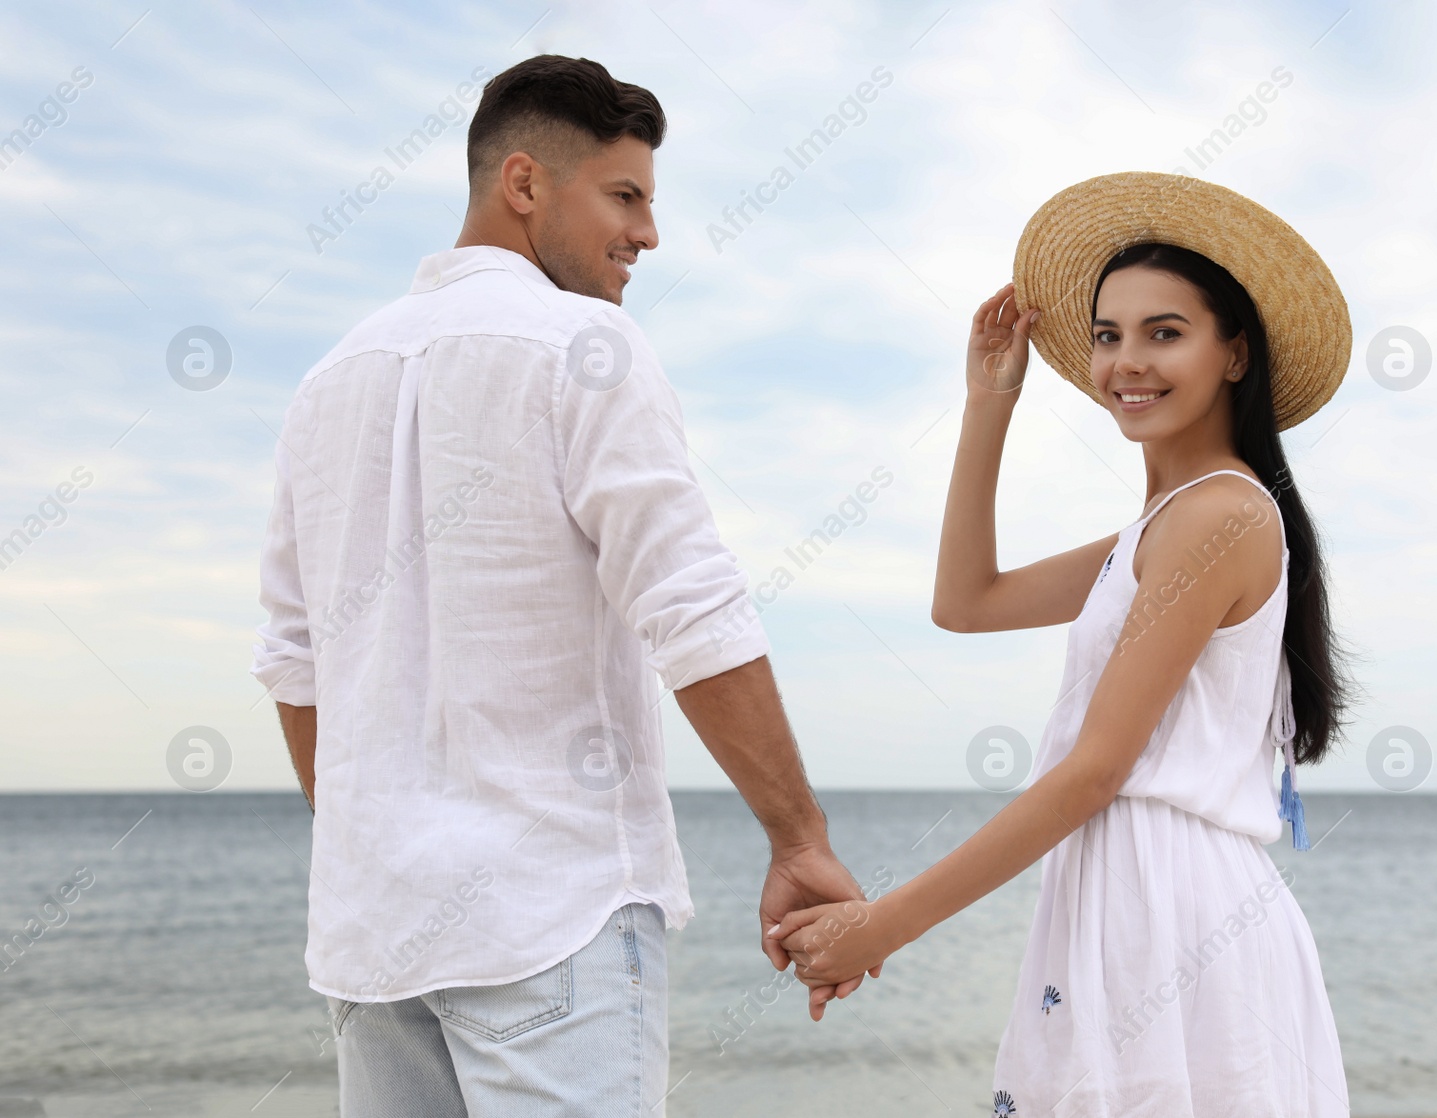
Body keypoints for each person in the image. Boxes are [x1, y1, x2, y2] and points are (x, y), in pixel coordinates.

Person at [250, 54, 875, 1116]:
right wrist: (799, 839)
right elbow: (691, 605)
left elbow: (294, 661)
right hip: (550, 915)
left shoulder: (328, 381)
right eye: (624, 196)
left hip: (373, 934)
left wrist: (379, 835)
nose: (648, 233)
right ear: (525, 184)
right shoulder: (587, 345)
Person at [769, 171, 1356, 1116]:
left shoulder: (1220, 517)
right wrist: (989, 401)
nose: (1128, 361)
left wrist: (882, 925)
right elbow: (965, 601)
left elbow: (1094, 771)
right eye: (1108, 334)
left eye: (1166, 333)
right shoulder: (1164, 523)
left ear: (1234, 354)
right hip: (1127, 899)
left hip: (1175, 919)